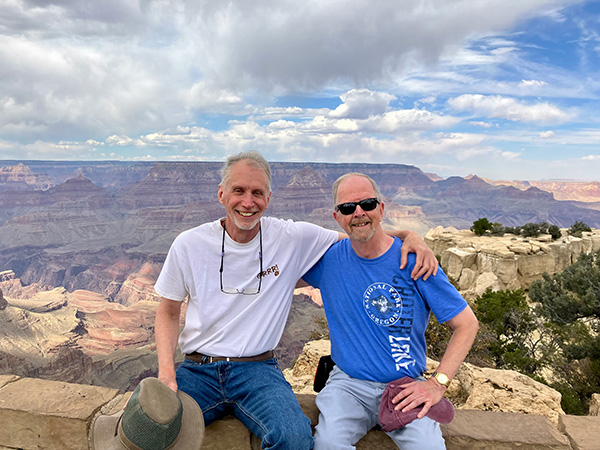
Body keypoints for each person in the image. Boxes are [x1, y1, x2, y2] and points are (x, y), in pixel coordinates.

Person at [154, 152, 438, 449]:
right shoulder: (189, 244)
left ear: (269, 197)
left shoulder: (292, 236)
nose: (248, 202)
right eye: (238, 191)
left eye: (257, 193)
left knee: (294, 437)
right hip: (198, 369)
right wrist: (165, 373)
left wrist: (409, 234)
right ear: (222, 194)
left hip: (257, 371)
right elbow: (168, 312)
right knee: (148, 425)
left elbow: (360, 232)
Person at [302, 173, 479, 450]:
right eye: (348, 208)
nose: (359, 212)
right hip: (347, 385)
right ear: (337, 217)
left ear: (382, 209)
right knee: (328, 444)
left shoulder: (415, 261)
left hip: (405, 388)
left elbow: (467, 324)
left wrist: (438, 384)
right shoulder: (328, 260)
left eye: (368, 204)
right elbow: (275, 273)